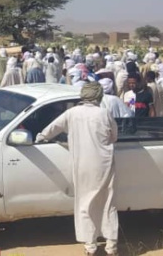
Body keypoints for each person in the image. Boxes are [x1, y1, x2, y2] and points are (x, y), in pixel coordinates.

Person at [36, 83, 118, 256]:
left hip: (82, 165)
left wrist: (40, 137)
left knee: (84, 202)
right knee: (107, 203)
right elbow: (114, 137)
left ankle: (90, 246)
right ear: (98, 96)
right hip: (104, 164)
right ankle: (111, 246)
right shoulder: (104, 113)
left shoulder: (72, 113)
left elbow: (51, 129)